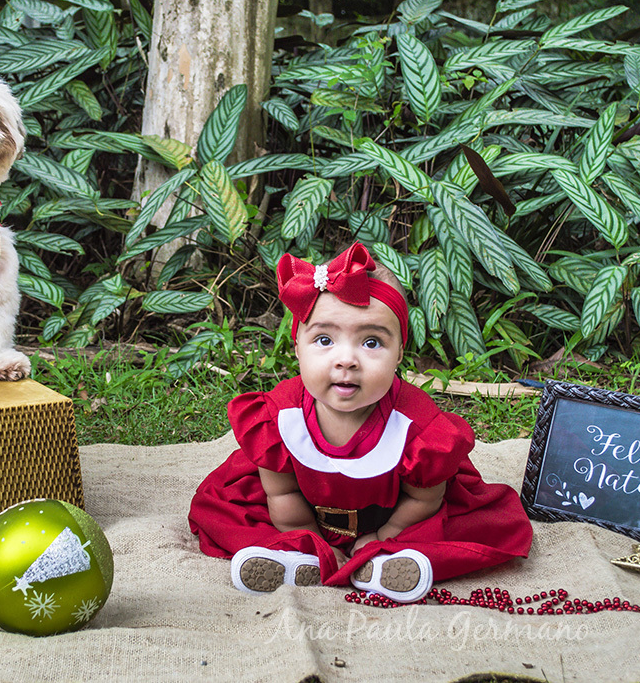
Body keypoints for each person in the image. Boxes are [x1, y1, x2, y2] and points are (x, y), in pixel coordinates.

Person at [188, 242, 533, 602]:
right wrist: (311, 537)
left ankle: (388, 560)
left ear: (400, 352)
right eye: (324, 339)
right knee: (228, 510)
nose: (346, 360)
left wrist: (387, 533)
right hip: (299, 511)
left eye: (371, 342)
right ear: (297, 347)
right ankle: (297, 555)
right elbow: (282, 493)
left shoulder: (416, 426)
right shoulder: (279, 417)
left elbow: (424, 498)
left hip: (396, 513)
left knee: (464, 524)